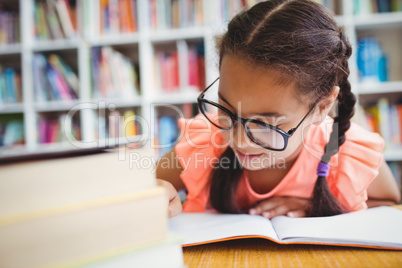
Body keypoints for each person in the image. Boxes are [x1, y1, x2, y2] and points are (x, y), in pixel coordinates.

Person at [156, 0, 401, 218]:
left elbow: (389, 205)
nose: (240, 140)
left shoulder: (346, 151)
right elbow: (144, 190)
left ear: (322, 107)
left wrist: (314, 207)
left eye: (266, 124)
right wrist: (162, 198)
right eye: (226, 110)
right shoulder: (205, 140)